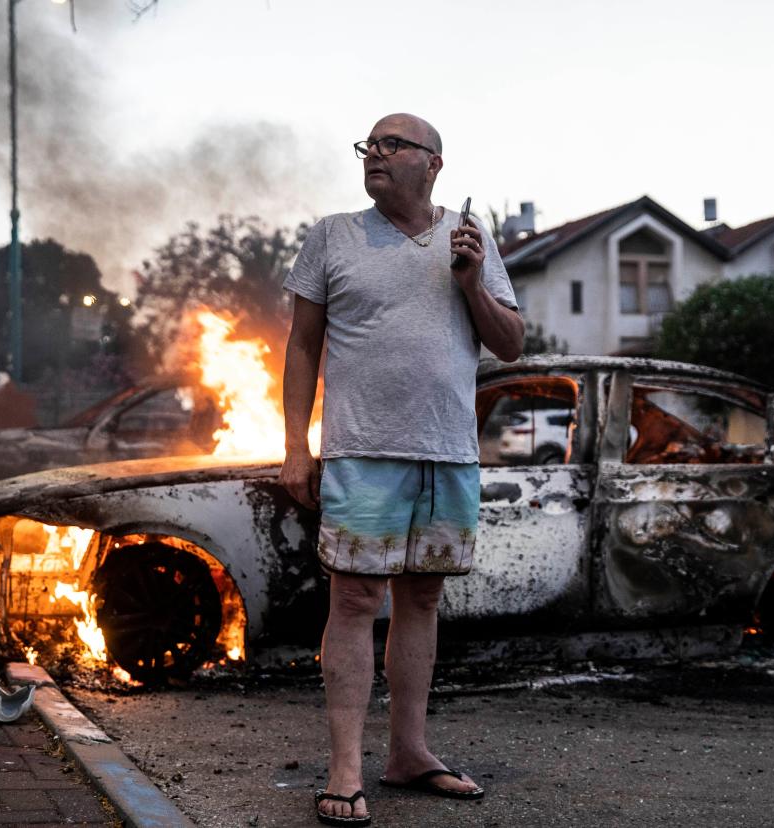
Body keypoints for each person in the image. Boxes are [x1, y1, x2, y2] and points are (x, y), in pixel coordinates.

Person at [278, 113, 523, 826]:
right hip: (362, 449)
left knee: (422, 600)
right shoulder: (333, 235)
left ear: (433, 163)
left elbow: (509, 343)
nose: (374, 154)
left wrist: (474, 281)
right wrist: (297, 444)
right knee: (354, 600)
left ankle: (409, 753)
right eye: (369, 145)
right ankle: (346, 767)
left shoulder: (470, 239)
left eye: (392, 144)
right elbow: (301, 348)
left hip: (447, 450)